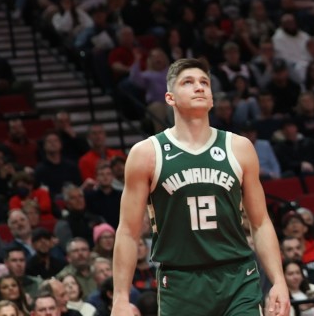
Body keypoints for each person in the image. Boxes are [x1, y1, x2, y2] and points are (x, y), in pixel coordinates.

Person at [111, 58, 289, 316]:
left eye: (204, 82)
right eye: (188, 82)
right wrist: (120, 298)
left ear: (212, 99)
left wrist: (279, 281)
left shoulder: (239, 148)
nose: (199, 87)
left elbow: (260, 223)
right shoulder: (147, 153)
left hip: (238, 276)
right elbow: (128, 231)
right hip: (181, 282)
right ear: (170, 98)